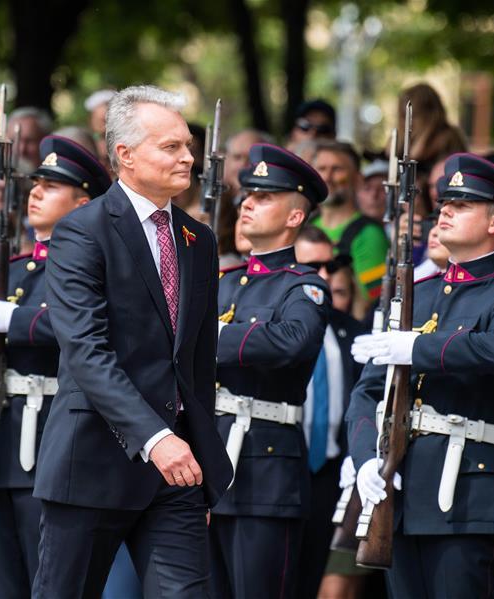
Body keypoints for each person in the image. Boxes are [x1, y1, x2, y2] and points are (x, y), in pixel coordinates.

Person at [31, 85, 232, 598]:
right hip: (93, 459)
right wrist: (154, 438)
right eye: (171, 147)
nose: (188, 156)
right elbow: (85, 350)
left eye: (187, 144)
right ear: (125, 154)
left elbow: (196, 359)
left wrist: (200, 458)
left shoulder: (198, 238)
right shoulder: (82, 231)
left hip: (178, 471)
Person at [348, 153, 494, 598]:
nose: (445, 212)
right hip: (401, 490)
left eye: (462, 205)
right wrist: (364, 459)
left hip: (466, 494)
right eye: (444, 205)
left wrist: (415, 347)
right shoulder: (414, 294)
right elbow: (368, 392)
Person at [0, 135, 111, 598]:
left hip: (58, 447)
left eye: (51, 186)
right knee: (9, 584)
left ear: (83, 202)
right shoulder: (16, 270)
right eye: (36, 183)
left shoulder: (97, 268)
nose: (35, 192)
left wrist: (17, 320)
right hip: (1, 447)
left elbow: (87, 331)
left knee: (54, 584)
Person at [209, 143, 329, 599]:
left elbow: (292, 340)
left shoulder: (304, 287)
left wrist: (213, 342)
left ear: (294, 217)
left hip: (266, 469)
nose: (247, 205)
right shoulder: (223, 282)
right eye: (247, 196)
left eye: (263, 198)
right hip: (211, 461)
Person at [293, 225, 367, 599]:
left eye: (330, 265)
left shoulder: (352, 332)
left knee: (317, 578)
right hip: (281, 466)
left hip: (332, 474)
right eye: (312, 266)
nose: (324, 276)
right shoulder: (272, 328)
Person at [310, 140, 389, 303]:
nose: (327, 177)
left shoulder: (369, 234)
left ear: (358, 179)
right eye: (321, 169)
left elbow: (374, 304)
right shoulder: (305, 226)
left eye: (337, 169)